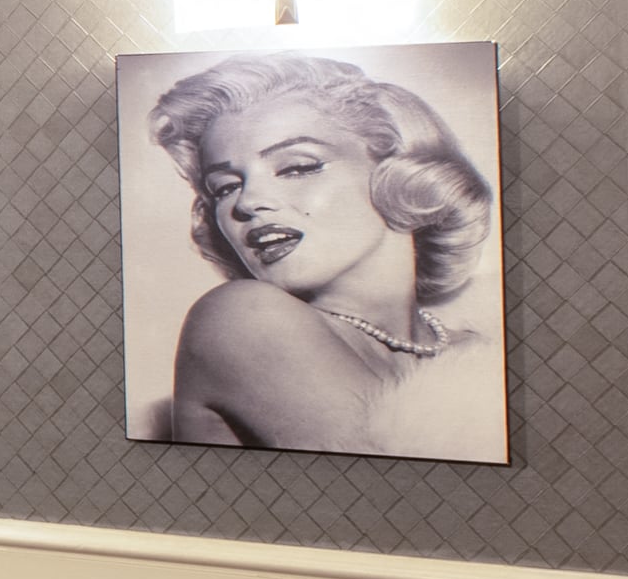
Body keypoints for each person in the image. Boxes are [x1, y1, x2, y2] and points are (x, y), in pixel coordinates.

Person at [147, 52, 498, 457]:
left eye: (297, 167)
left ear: (399, 173)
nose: (248, 201)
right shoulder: (242, 317)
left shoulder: (474, 351)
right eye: (224, 187)